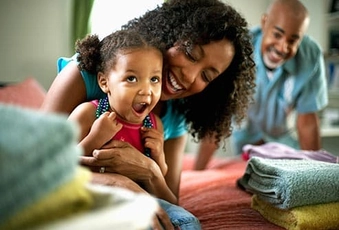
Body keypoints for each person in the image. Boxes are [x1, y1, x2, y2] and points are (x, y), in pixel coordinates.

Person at [41, 0, 256, 229]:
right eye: (191, 54)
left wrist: (151, 170)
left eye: (206, 76)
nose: (191, 77)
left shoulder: (172, 117)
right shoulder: (87, 76)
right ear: (169, 33)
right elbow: (31, 168)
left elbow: (171, 200)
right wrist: (115, 181)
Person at [194, 0, 328, 170]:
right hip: (246, 144)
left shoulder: (311, 57)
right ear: (265, 23)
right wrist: (198, 171)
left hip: (284, 146)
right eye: (277, 35)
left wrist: (317, 173)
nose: (282, 48)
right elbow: (219, 115)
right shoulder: (237, 50)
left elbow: (307, 122)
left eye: (293, 41)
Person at [68, 30, 168, 176]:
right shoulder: (88, 114)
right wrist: (94, 139)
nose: (147, 91)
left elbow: (161, 174)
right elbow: (60, 165)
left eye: (154, 79)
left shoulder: (154, 125)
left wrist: (159, 156)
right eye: (132, 79)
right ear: (104, 82)